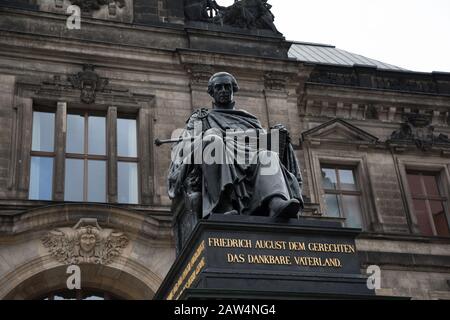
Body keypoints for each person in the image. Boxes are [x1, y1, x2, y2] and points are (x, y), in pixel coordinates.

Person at [168, 72, 303, 219]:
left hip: (250, 161)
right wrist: (210, 135)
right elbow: (185, 147)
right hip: (218, 157)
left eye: (227, 87)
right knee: (212, 140)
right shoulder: (201, 118)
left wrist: (279, 137)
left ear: (234, 90)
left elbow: (263, 143)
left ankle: (276, 202)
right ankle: (221, 205)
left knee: (267, 155)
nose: (224, 90)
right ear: (212, 92)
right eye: (219, 87)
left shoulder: (249, 119)